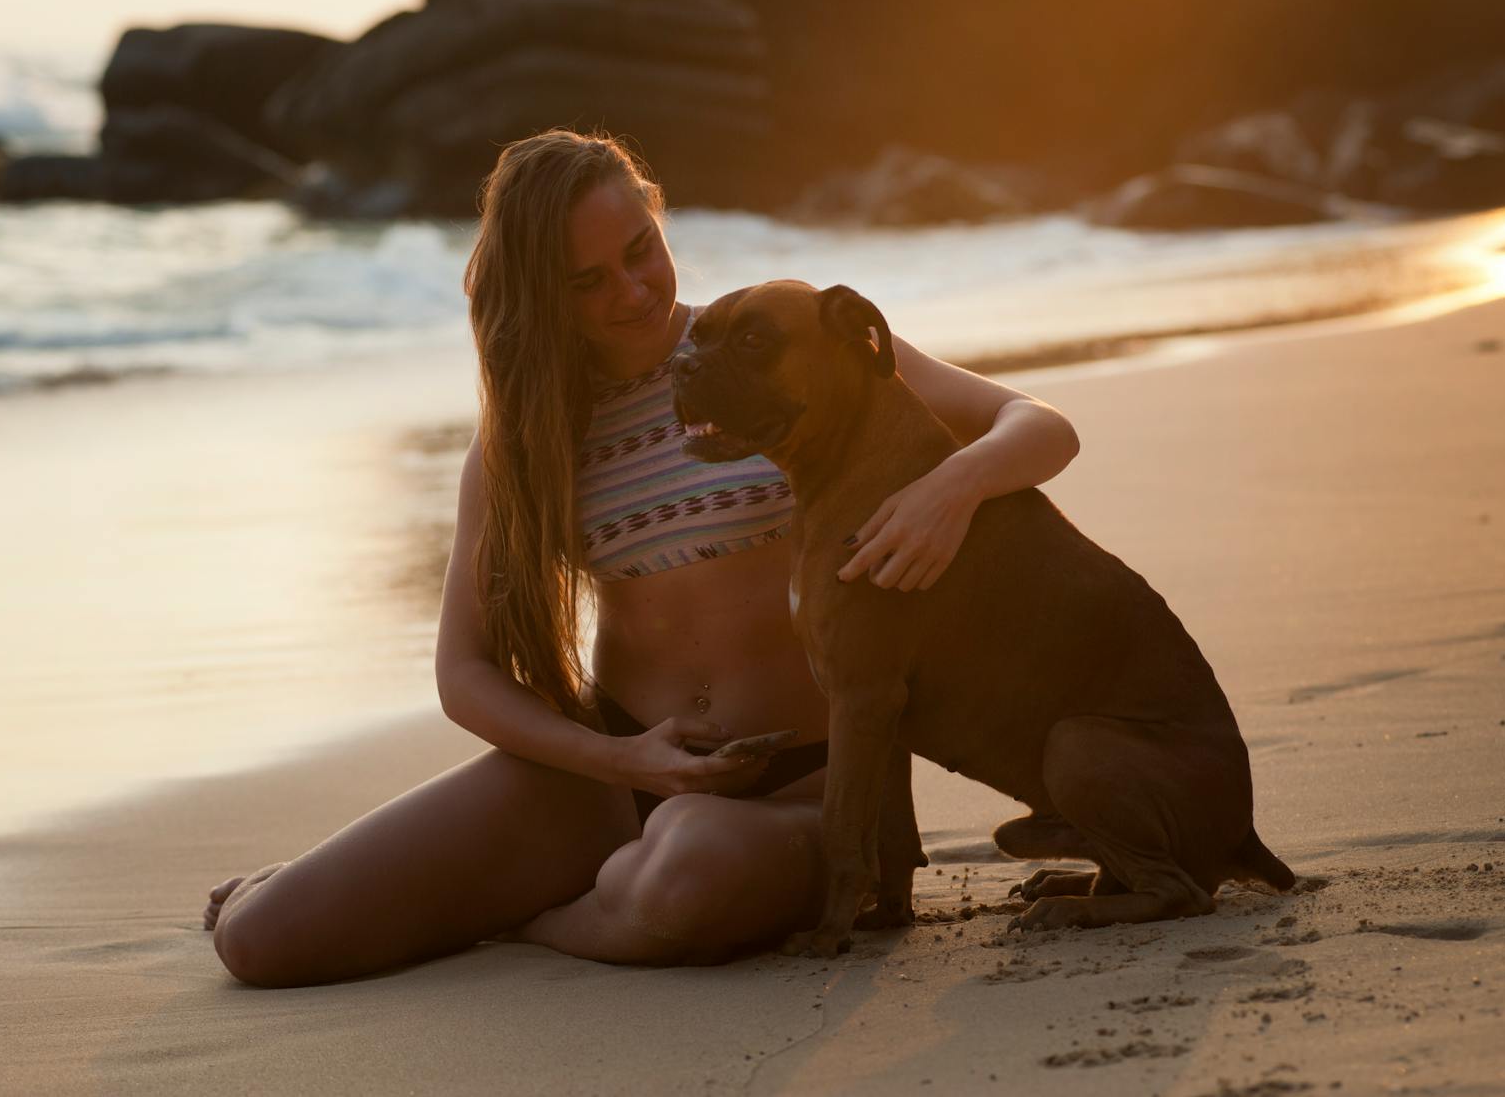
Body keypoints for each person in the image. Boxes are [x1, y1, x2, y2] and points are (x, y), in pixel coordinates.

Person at [204, 129, 1080, 985]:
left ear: (660, 218)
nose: (631, 291)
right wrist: (624, 762)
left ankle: (531, 918)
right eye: (587, 282)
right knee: (262, 943)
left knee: (685, 876)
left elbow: (1040, 427)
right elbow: (463, 673)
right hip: (608, 773)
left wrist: (949, 491)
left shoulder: (785, 344)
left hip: (806, 789)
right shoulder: (529, 440)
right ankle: (566, 889)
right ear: (541, 296)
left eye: (641, 250)